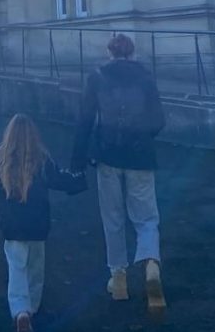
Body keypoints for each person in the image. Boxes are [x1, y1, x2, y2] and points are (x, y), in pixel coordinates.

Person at [71, 33, 167, 310]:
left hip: (108, 154)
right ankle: (150, 265)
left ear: (110, 52)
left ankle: (119, 278)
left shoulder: (98, 77)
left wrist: (77, 161)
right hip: (140, 155)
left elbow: (85, 120)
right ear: (132, 52)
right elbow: (159, 119)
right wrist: (144, 137)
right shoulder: (146, 77)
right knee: (147, 216)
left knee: (112, 216)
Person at [0, 113, 86, 332]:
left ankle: (20, 311)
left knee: (16, 268)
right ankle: (33, 307)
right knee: (35, 268)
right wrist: (79, 179)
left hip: (12, 226)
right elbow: (60, 180)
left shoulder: (2, 160)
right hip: (37, 225)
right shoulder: (42, 161)